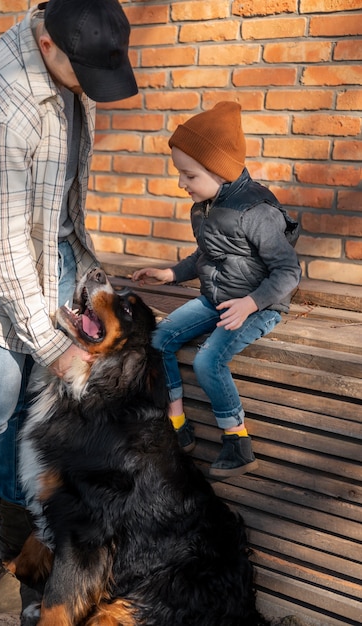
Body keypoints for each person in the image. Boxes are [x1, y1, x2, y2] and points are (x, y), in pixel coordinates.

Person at [0, 0, 137, 615]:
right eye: (86, 73)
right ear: (50, 47)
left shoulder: (70, 58)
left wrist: (80, 265)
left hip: (45, 250)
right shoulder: (2, 103)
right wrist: (53, 345)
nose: (93, 87)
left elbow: (61, 194)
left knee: (25, 397)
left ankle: (7, 525)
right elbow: (2, 247)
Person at [133, 101, 301, 479]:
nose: (181, 183)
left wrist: (251, 302)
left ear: (219, 170)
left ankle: (236, 441)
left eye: (188, 175)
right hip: (216, 299)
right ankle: (177, 427)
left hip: (257, 306)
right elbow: (206, 255)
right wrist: (172, 273)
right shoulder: (205, 206)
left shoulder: (256, 212)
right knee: (159, 340)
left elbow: (288, 271)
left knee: (209, 361)